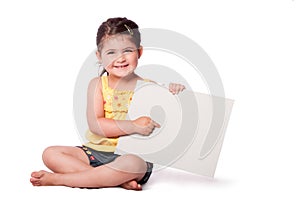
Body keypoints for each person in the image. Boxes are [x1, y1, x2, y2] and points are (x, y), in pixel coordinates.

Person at [30, 17, 185, 191]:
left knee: (133, 164)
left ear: (139, 52)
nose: (120, 58)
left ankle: (61, 180)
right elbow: (96, 125)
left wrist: (173, 93)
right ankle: (113, 179)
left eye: (127, 50)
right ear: (99, 56)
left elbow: (165, 123)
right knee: (50, 153)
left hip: (129, 156)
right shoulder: (97, 84)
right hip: (94, 152)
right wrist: (133, 125)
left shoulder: (149, 87)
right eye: (111, 52)